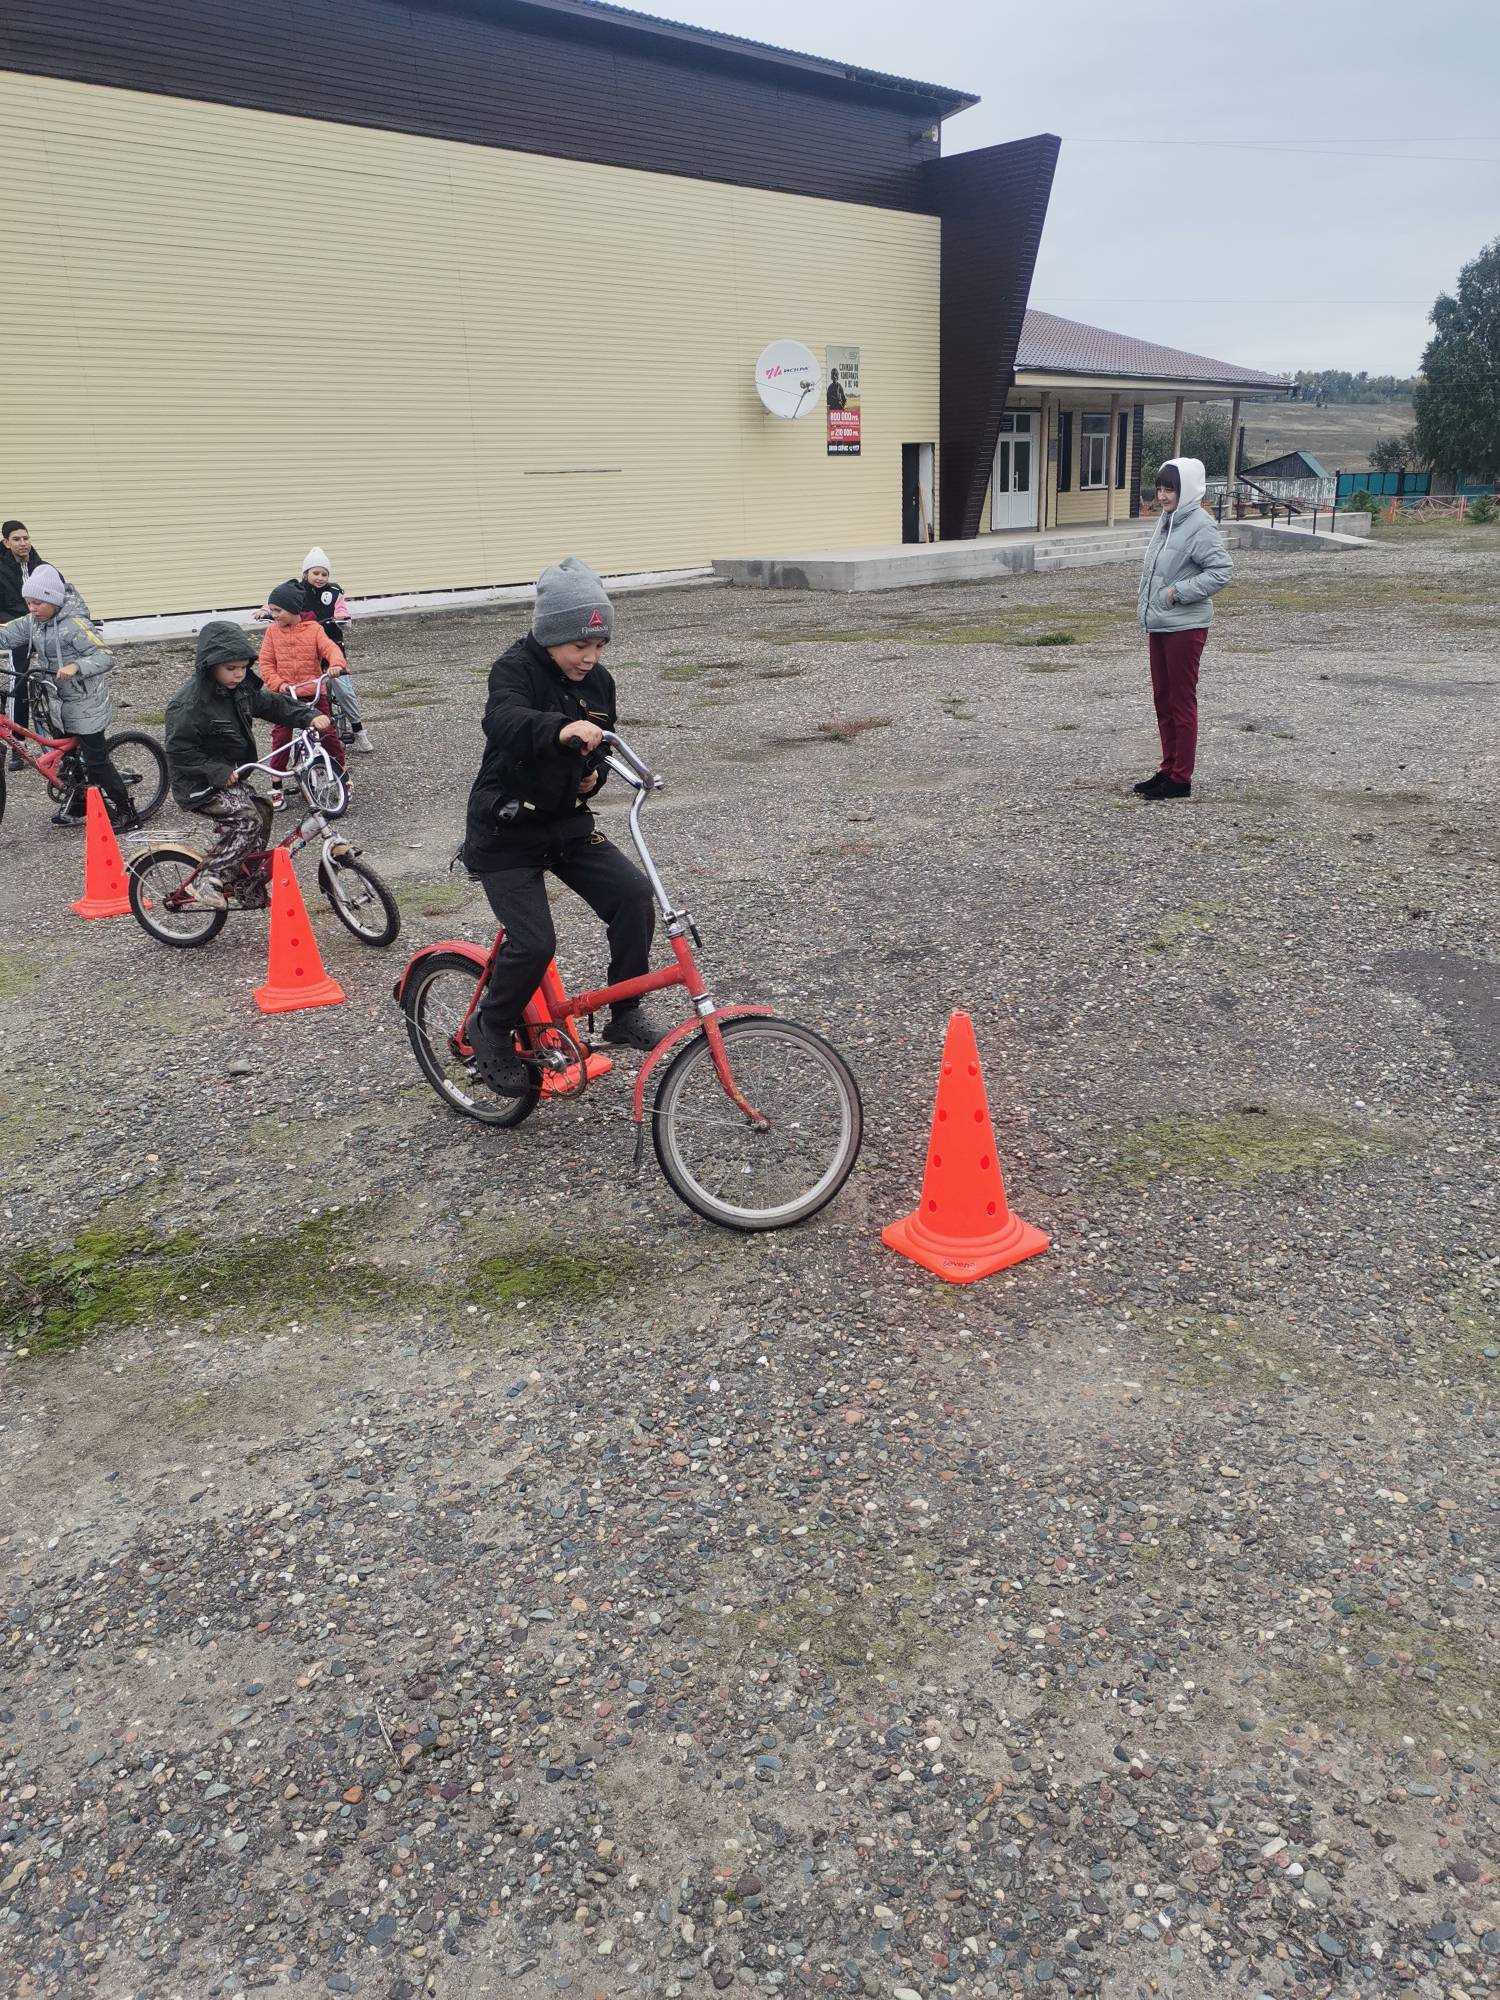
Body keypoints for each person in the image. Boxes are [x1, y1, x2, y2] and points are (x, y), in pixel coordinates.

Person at [463, 557, 659, 1096]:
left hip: (564, 823)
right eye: (579, 646)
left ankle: (625, 1011)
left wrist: (589, 781)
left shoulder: (600, 682)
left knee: (633, 895)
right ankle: (491, 1025)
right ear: (550, 635)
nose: (589, 658)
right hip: (506, 831)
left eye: (599, 647)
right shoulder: (514, 669)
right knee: (533, 942)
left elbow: (598, 749)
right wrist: (559, 728)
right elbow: (502, 720)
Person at [163, 620, 331, 905]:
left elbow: (272, 704)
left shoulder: (240, 690)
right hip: (198, 783)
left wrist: (307, 716)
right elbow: (178, 750)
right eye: (231, 669)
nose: (239, 675)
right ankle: (208, 879)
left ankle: (243, 881)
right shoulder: (190, 705)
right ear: (209, 665)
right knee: (245, 820)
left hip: (232, 775)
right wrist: (216, 771)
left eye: (243, 667)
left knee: (262, 810)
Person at [0, 564, 137, 826]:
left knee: (96, 762)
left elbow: (105, 656)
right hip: (57, 702)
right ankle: (79, 806)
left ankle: (126, 810)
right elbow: (6, 635)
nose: (32, 608)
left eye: (37, 603)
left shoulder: (74, 624)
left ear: (53, 599)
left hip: (85, 704)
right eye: (28, 603)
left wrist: (76, 667)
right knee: (69, 758)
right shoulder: (34, 622)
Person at [1134, 457, 1232, 800]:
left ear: (1186, 490)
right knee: (1163, 698)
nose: (1162, 495)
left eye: (1169, 489)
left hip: (1184, 627)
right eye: (1160, 488)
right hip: (1160, 624)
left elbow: (1221, 570)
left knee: (1181, 700)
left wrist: (1178, 593)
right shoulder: (1167, 521)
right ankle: (1167, 768)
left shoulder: (1200, 525)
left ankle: (1181, 778)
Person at [255, 580, 350, 806]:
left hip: (312, 692)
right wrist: (279, 684)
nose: (274, 615)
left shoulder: (314, 629)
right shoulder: (272, 633)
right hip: (286, 695)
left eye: (278, 610)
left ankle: (341, 773)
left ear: (294, 609)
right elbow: (266, 664)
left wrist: (336, 664)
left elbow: (330, 648)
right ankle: (276, 783)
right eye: (272, 610)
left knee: (327, 734)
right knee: (281, 738)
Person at [296, 547, 374, 755]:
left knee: (345, 691)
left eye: (324, 574)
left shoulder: (334, 592)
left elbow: (341, 610)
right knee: (306, 693)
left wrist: (342, 619)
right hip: (307, 649)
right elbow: (278, 603)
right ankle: (309, 732)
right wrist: (266, 611)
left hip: (332, 649)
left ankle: (358, 730)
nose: (320, 578)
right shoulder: (295, 590)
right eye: (315, 573)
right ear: (306, 573)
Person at [1, 520, 49, 766]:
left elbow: (59, 591)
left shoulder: (39, 565)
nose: (23, 543)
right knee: (18, 685)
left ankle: (57, 740)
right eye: (17, 539)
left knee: (53, 679)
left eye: (26, 538)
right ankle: (18, 745)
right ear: (6, 542)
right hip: (17, 631)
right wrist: (21, 624)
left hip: (43, 629)